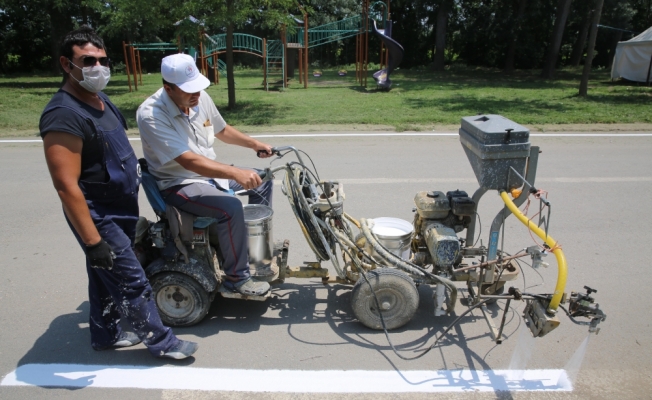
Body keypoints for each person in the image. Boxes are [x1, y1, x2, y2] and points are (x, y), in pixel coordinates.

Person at [40, 26, 197, 360]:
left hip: (122, 207)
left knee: (103, 277)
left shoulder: (100, 100)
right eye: (88, 60)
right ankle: (163, 343)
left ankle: (105, 334)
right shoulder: (63, 114)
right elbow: (66, 186)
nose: (98, 66)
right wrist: (93, 241)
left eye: (102, 59)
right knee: (131, 279)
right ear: (67, 65)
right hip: (98, 214)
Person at [136, 53, 274, 296]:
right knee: (230, 207)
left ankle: (255, 253)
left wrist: (254, 144)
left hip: (211, 173)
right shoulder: (151, 114)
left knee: (261, 181)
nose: (196, 95)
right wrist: (236, 172)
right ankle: (237, 279)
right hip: (179, 182)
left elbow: (221, 129)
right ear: (168, 88)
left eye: (198, 87)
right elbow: (189, 162)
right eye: (189, 90)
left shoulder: (198, 97)